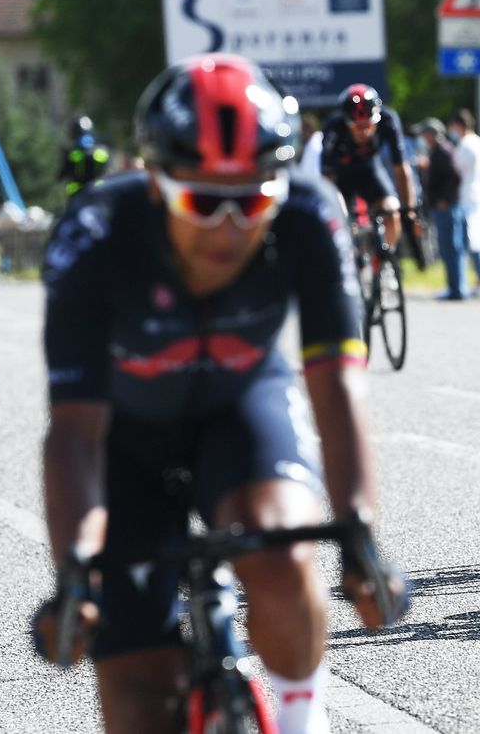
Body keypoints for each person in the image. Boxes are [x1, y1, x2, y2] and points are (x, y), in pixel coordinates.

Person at [34, 54, 407, 734]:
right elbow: (74, 430)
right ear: (153, 180)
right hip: (124, 440)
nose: (230, 226)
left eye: (254, 200)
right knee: (139, 693)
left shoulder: (310, 214)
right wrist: (75, 573)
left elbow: (337, 385)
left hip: (243, 409)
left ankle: (301, 715)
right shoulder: (94, 234)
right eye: (204, 200)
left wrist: (359, 533)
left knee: (282, 554)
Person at [320, 84, 417, 250]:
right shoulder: (334, 127)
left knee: (392, 213)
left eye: (368, 126)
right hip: (341, 177)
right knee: (341, 222)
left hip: (370, 171)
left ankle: (387, 258)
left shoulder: (388, 120)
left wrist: (409, 209)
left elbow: (401, 169)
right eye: (358, 127)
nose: (364, 133)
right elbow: (327, 179)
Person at [412, 117, 464, 298]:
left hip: (446, 206)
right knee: (447, 247)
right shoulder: (439, 150)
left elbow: (455, 177)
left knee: (451, 247)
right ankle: (454, 287)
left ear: (432, 134)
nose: (422, 137)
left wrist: (444, 199)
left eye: (425, 133)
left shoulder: (442, 150)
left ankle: (456, 289)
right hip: (443, 206)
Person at [449, 109, 480, 296]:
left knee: (471, 237)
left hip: (468, 193)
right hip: (478, 191)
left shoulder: (466, 145)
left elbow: (455, 169)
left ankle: (477, 279)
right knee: (477, 236)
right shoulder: (479, 143)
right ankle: (479, 279)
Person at [59, 114, 112, 196]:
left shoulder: (71, 153)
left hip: (79, 195)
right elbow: (108, 172)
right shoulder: (102, 151)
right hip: (100, 193)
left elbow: (61, 175)